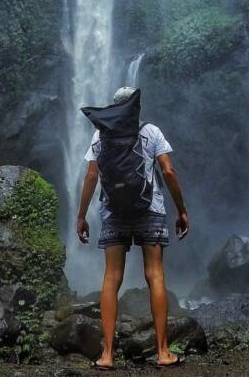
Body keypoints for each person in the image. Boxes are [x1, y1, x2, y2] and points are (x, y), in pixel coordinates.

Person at [75, 86, 190, 370]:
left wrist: (81, 216)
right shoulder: (151, 132)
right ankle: (163, 352)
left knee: (112, 277)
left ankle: (107, 355)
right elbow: (168, 171)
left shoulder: (99, 135)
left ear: (114, 107)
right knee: (155, 274)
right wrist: (182, 210)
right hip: (150, 209)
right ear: (135, 107)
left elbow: (91, 176)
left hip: (113, 211)